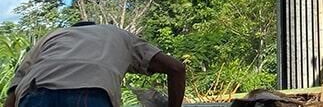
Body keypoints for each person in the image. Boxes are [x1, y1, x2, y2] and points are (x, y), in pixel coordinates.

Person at [2, 22, 185, 107]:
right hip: (90, 93)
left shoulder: (52, 37)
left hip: (36, 95)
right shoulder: (118, 35)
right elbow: (176, 68)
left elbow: (16, 87)